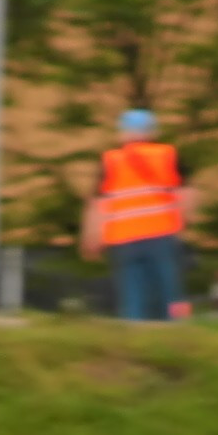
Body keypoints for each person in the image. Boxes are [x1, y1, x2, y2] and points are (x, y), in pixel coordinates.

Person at [81, 109, 193, 322]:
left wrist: (92, 238)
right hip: (162, 235)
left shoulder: (110, 161)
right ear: (152, 132)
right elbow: (187, 194)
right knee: (172, 292)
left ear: (123, 133)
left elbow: (98, 204)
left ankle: (133, 333)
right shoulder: (168, 155)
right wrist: (185, 223)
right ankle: (182, 327)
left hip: (123, 240)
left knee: (132, 297)